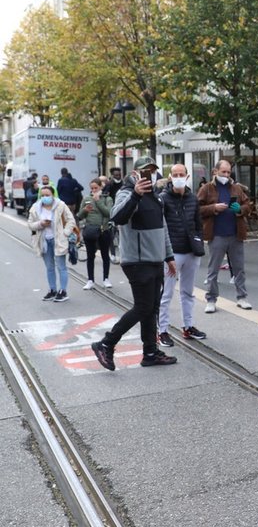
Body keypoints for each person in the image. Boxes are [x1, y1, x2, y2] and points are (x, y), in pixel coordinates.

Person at [90, 157, 178, 370]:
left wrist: (169, 256)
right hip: (137, 262)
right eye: (145, 171)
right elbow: (117, 217)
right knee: (143, 307)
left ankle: (150, 352)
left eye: (153, 171)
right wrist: (136, 194)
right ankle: (106, 343)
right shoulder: (127, 193)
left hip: (155, 260)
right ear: (135, 174)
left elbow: (162, 229)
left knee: (152, 308)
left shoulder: (156, 197)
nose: (150, 175)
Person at [157, 163, 207, 348]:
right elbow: (160, 227)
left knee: (188, 292)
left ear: (187, 176)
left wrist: (199, 242)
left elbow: (198, 224)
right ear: (170, 177)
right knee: (167, 293)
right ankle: (162, 330)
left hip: (192, 252)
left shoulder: (193, 198)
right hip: (172, 254)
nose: (178, 177)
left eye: (181, 174)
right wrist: (166, 254)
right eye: (175, 174)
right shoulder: (162, 199)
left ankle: (188, 326)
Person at [198, 159, 252, 312]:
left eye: (228, 172)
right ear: (215, 171)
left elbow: (248, 205)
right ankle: (211, 300)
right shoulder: (207, 188)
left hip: (235, 233)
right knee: (213, 269)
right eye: (224, 172)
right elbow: (197, 208)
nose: (226, 175)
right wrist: (213, 207)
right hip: (216, 234)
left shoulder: (236, 188)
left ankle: (242, 297)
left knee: (239, 268)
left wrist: (240, 209)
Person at [28, 185, 76, 302]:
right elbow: (30, 224)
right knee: (49, 267)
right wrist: (41, 224)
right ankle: (52, 290)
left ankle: (63, 291)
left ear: (53, 195)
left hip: (58, 240)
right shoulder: (35, 208)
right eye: (42, 195)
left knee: (61, 267)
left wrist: (65, 233)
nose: (45, 197)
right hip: (44, 240)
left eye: (47, 195)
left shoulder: (60, 205)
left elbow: (71, 220)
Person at [77, 179, 114, 290]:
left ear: (100, 187)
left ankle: (106, 279)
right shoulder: (86, 199)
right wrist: (85, 210)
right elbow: (80, 216)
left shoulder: (107, 198)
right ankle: (90, 280)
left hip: (104, 231)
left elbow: (109, 213)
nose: (93, 190)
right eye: (92, 188)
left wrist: (98, 201)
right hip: (90, 231)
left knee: (104, 255)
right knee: (90, 256)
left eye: (95, 188)